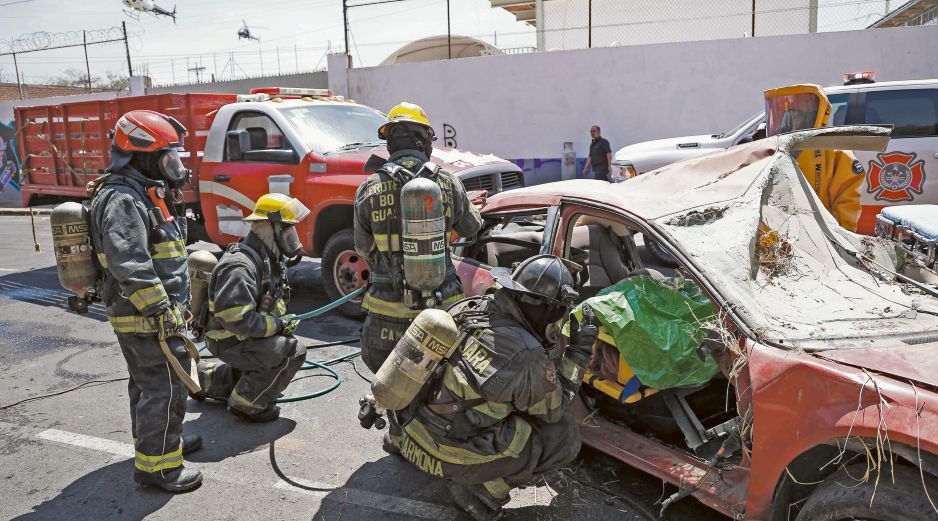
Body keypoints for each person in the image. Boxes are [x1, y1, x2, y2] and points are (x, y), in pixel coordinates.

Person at [395, 255, 598, 521]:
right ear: (547, 309)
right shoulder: (526, 354)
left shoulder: (469, 307)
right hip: (444, 454)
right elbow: (555, 409)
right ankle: (481, 491)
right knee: (564, 435)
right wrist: (579, 352)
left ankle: (396, 438)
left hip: (407, 428)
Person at [89, 110, 202, 492]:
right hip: (146, 317)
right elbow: (131, 266)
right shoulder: (122, 199)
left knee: (150, 384)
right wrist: (163, 312)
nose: (175, 165)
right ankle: (158, 468)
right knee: (164, 387)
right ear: (141, 155)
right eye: (167, 157)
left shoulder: (147, 193)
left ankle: (162, 445)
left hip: (156, 315)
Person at [354, 101, 482, 374]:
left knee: (389, 384)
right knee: (442, 381)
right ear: (425, 141)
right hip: (441, 312)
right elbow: (472, 229)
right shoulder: (447, 182)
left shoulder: (368, 188)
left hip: (385, 315)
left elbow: (362, 247)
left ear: (389, 144)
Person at [197, 193, 308, 422]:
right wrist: (277, 326)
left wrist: (281, 323)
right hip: (228, 338)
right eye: (287, 229)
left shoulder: (267, 257)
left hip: (240, 337)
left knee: (276, 350)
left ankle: (209, 380)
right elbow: (237, 319)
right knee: (292, 351)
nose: (292, 236)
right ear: (268, 227)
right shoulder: (240, 266)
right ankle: (247, 403)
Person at [764, 84, 865, 231]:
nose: (788, 123)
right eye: (787, 117)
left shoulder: (839, 156)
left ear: (812, 117)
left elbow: (846, 212)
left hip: (822, 238)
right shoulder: (772, 153)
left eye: (795, 116)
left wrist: (841, 243)